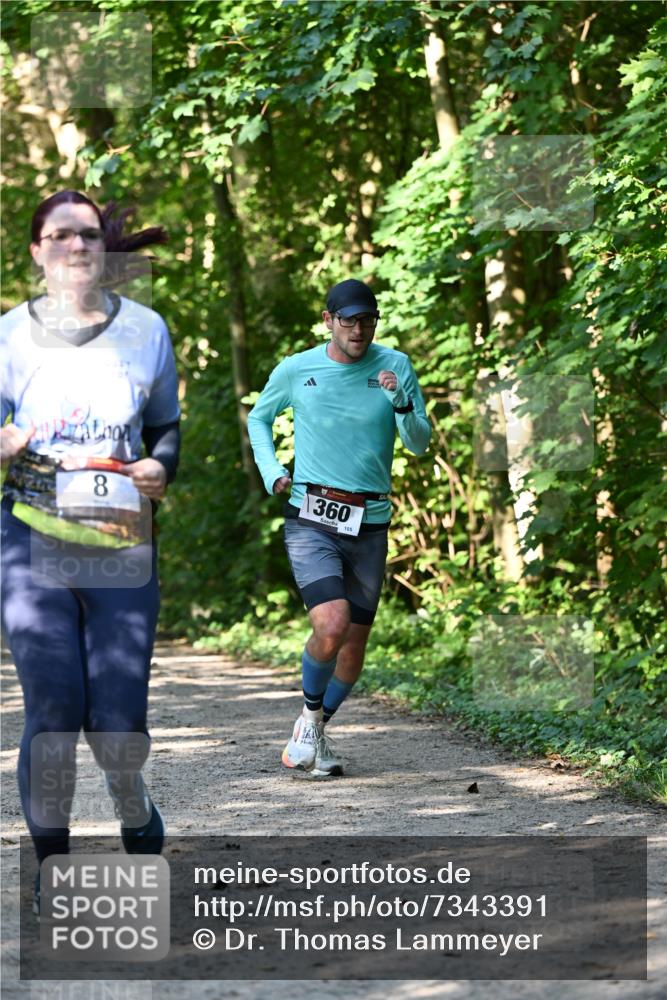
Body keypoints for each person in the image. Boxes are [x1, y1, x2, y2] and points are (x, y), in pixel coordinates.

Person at [0, 191, 180, 903]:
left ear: (105, 248)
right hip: (31, 537)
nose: (76, 245)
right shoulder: (9, 335)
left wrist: (160, 467)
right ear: (37, 249)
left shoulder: (146, 330)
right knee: (53, 706)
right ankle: (53, 866)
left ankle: (131, 798)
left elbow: (165, 427)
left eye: (89, 234)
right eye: (60, 235)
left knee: (115, 725)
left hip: (119, 540)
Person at [248, 278, 430, 776]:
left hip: (370, 522)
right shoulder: (297, 368)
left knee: (352, 652)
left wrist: (400, 402)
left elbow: (419, 443)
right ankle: (310, 723)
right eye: (349, 321)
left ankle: (315, 727)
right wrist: (272, 471)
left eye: (368, 321)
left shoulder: (396, 366)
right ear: (329, 320)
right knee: (331, 625)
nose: (359, 331)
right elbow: (258, 419)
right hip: (312, 516)